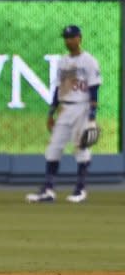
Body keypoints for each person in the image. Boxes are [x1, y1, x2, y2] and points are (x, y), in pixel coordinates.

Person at [27, 25, 101, 204]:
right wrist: (51, 112)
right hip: (65, 109)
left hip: (81, 108)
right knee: (53, 148)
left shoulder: (89, 61)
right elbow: (59, 88)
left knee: (81, 148)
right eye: (66, 38)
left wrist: (92, 117)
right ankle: (48, 190)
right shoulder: (62, 61)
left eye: (72, 37)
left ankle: (80, 189)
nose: (69, 41)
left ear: (79, 38)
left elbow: (94, 88)